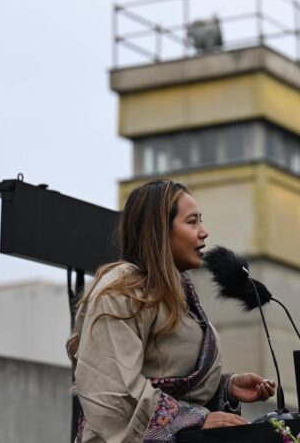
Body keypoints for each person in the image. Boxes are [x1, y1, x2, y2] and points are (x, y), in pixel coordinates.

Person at [66, 179, 275, 443]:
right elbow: (111, 390)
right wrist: (196, 419)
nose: (204, 232)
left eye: (202, 221)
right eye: (192, 222)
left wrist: (226, 388)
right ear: (160, 230)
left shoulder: (179, 292)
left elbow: (169, 378)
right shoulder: (120, 290)